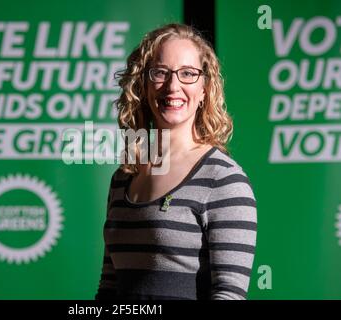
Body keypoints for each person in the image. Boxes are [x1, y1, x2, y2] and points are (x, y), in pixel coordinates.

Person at [95, 23, 257, 300]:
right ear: (143, 85)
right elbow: (109, 289)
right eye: (160, 72)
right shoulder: (124, 177)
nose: (173, 86)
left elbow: (229, 294)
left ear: (205, 88)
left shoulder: (223, 179)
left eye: (188, 74)